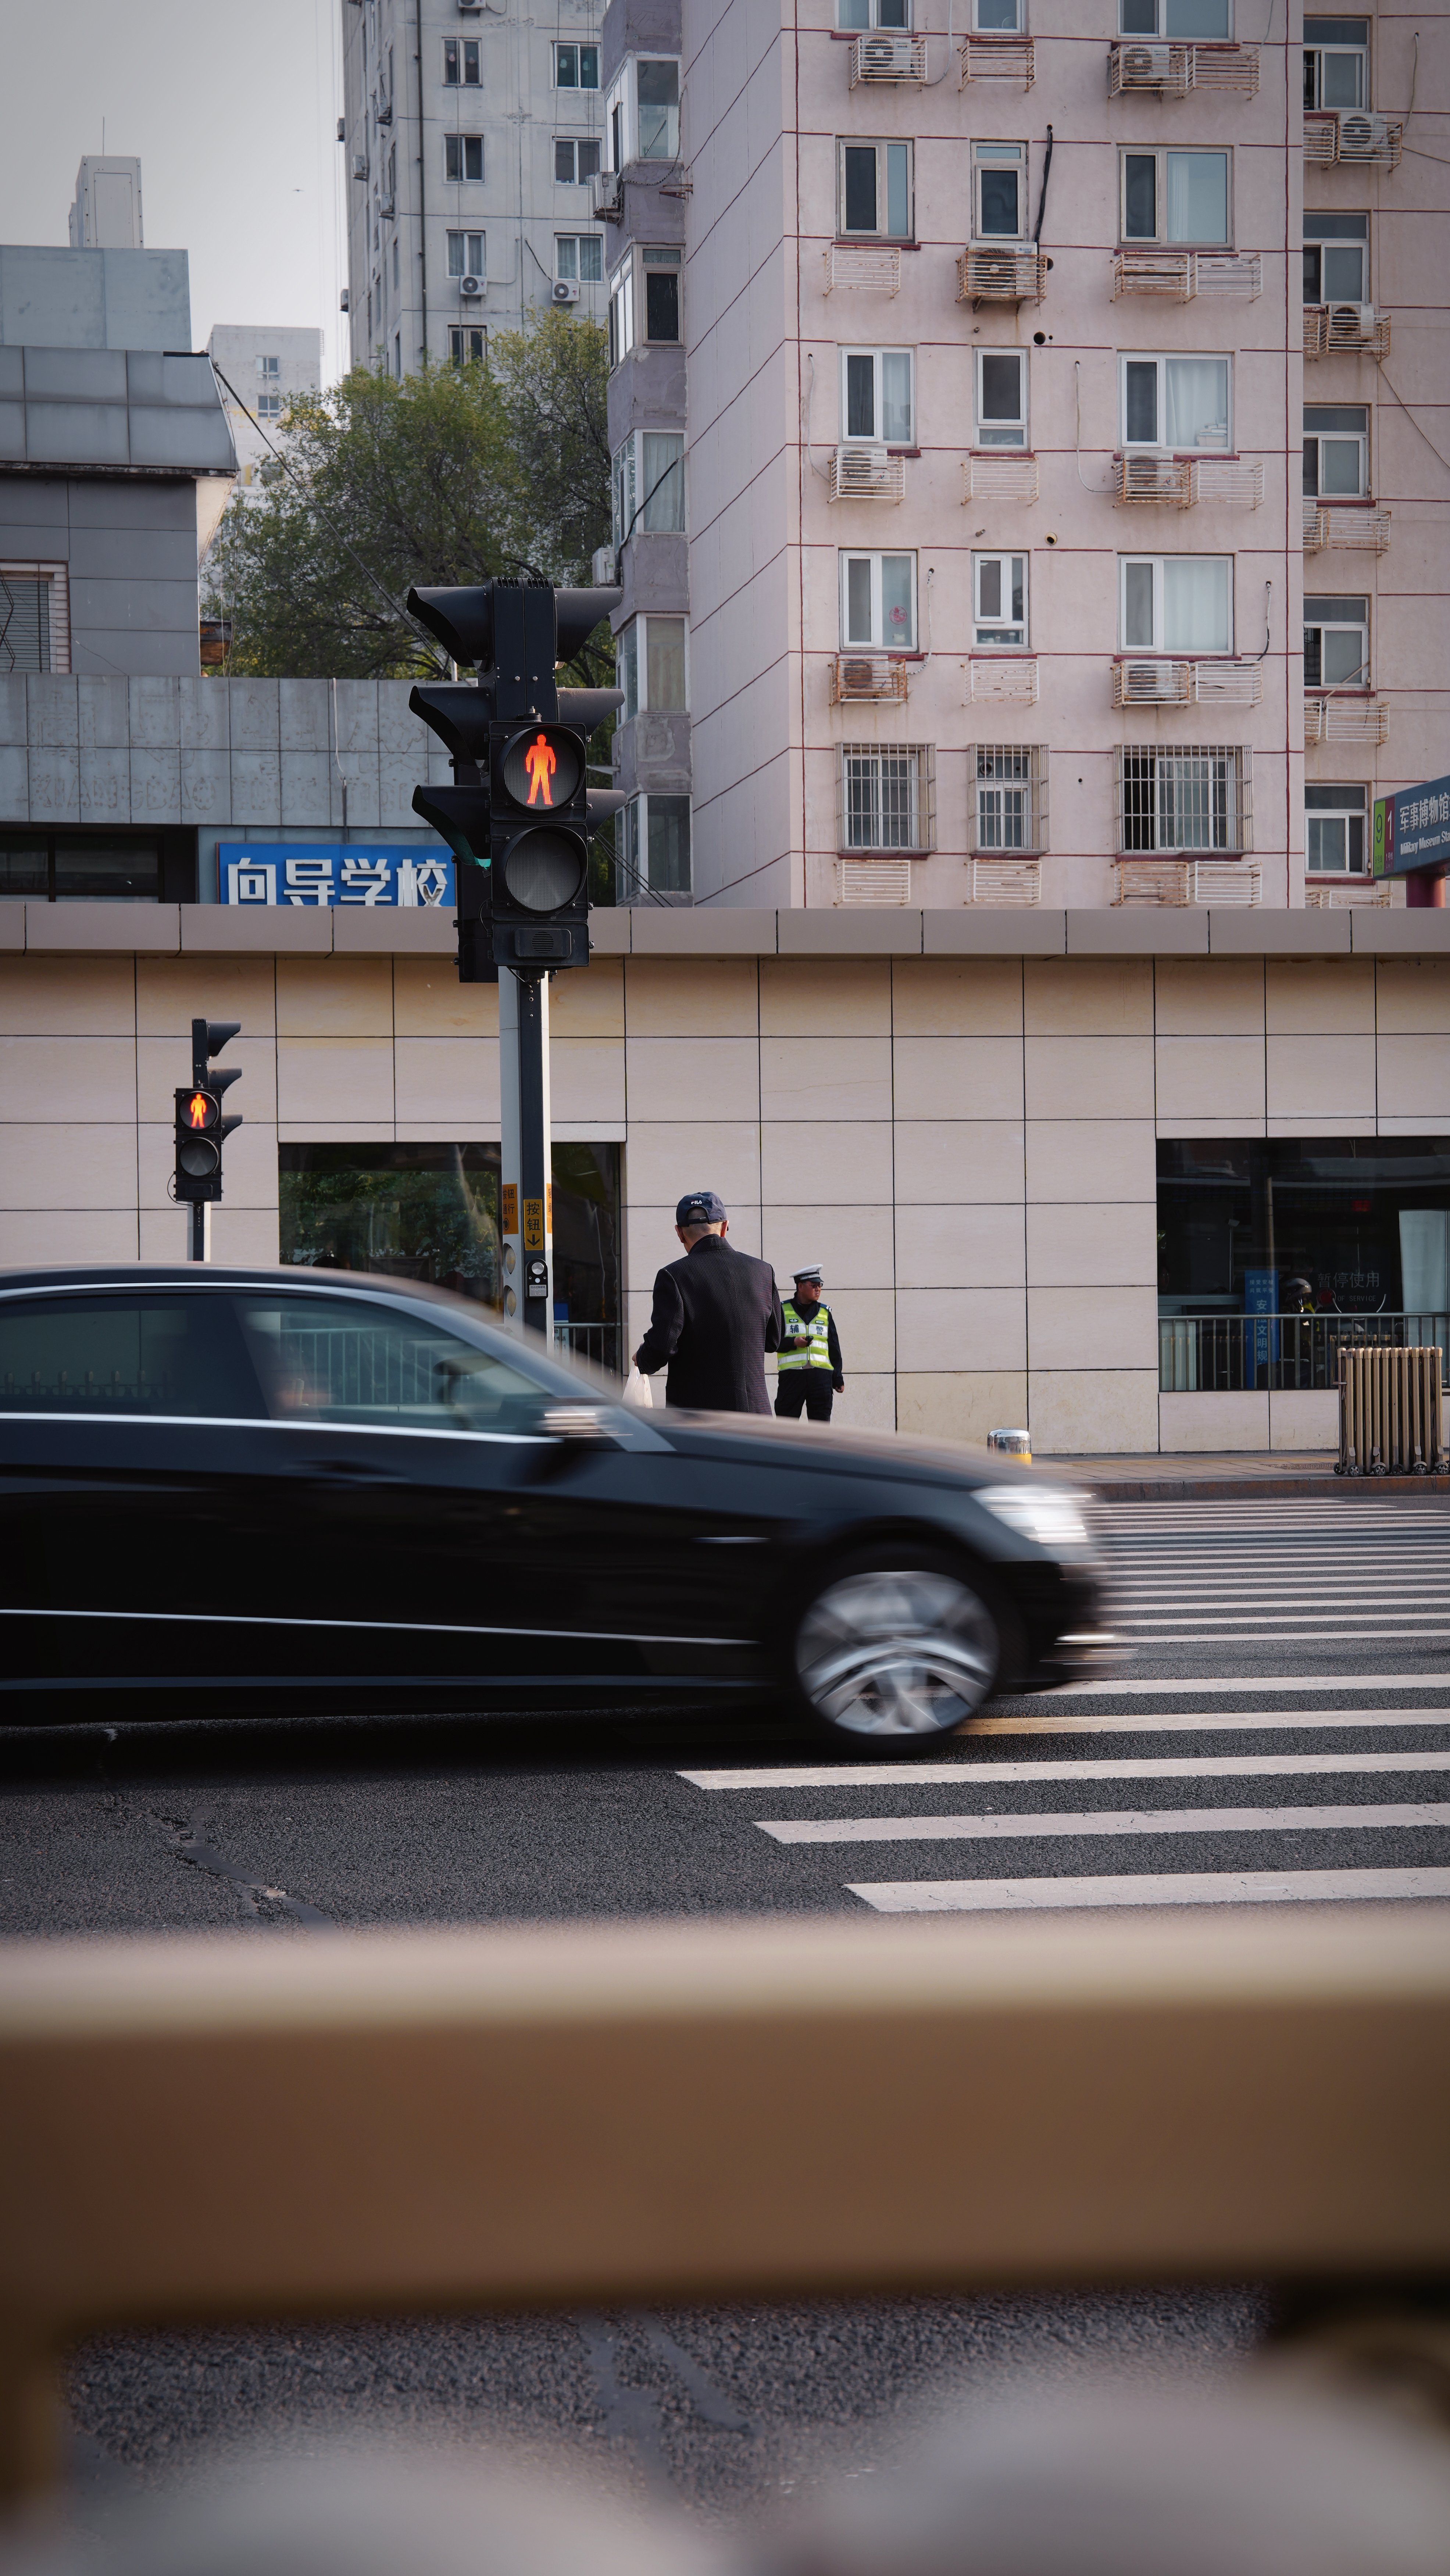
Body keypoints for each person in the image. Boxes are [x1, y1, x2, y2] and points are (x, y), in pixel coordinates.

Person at [633, 1191, 783, 1413]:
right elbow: (773, 1340)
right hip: (755, 1417)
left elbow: (662, 1345)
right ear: (724, 1227)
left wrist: (643, 1359)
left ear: (680, 1233)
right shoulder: (762, 1271)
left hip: (698, 1422)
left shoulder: (673, 1275)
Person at [774, 1265, 845, 1423]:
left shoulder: (825, 1313)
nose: (818, 1289)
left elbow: (834, 1348)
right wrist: (794, 1342)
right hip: (792, 1378)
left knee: (820, 1429)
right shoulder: (783, 1310)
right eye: (813, 1285)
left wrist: (838, 1378)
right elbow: (773, 1343)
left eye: (820, 1285)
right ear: (800, 1286)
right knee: (786, 1427)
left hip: (821, 1379)